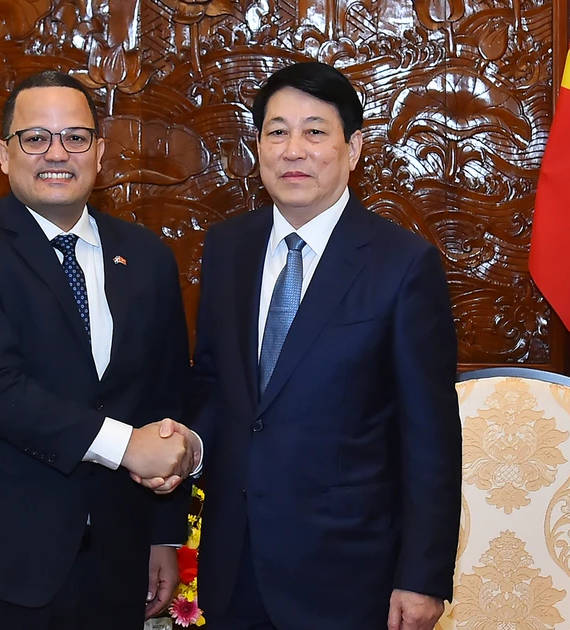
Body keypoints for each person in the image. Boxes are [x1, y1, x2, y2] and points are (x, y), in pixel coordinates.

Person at [0, 70, 197, 630]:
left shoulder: (146, 256)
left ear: (99, 152)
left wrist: (163, 533)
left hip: (113, 566)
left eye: (75, 137)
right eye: (35, 138)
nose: (56, 153)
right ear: (2, 152)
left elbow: (165, 394)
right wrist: (124, 447)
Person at [182, 61, 462, 629]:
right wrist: (185, 447)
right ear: (257, 146)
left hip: (350, 573)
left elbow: (430, 434)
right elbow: (215, 384)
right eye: (277, 131)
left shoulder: (403, 264)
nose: (293, 150)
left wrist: (422, 575)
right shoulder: (228, 247)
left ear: (353, 148)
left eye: (315, 131)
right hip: (234, 565)